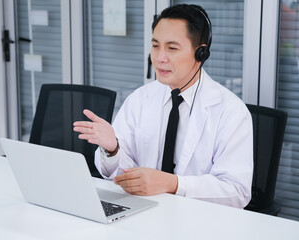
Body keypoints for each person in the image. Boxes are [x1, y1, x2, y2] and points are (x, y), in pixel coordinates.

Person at [73, 4, 253, 208]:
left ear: (201, 53)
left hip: (198, 222)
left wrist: (174, 184)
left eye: (172, 48)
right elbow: (122, 175)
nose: (159, 58)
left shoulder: (230, 111)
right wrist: (112, 149)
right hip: (142, 214)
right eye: (155, 46)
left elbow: (237, 191)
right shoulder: (140, 99)